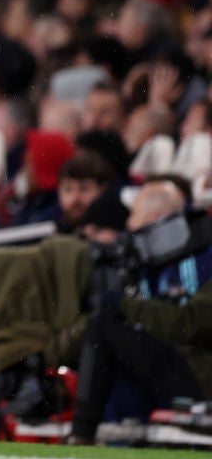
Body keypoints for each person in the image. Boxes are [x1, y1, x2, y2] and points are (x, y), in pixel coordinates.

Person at [67, 180, 212, 444]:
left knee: (107, 323)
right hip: (188, 368)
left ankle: (82, 432)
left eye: (133, 215)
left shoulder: (202, 258)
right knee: (113, 328)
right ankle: (105, 426)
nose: (129, 225)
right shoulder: (149, 262)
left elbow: (187, 324)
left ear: (155, 217)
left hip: (201, 377)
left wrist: (124, 305)